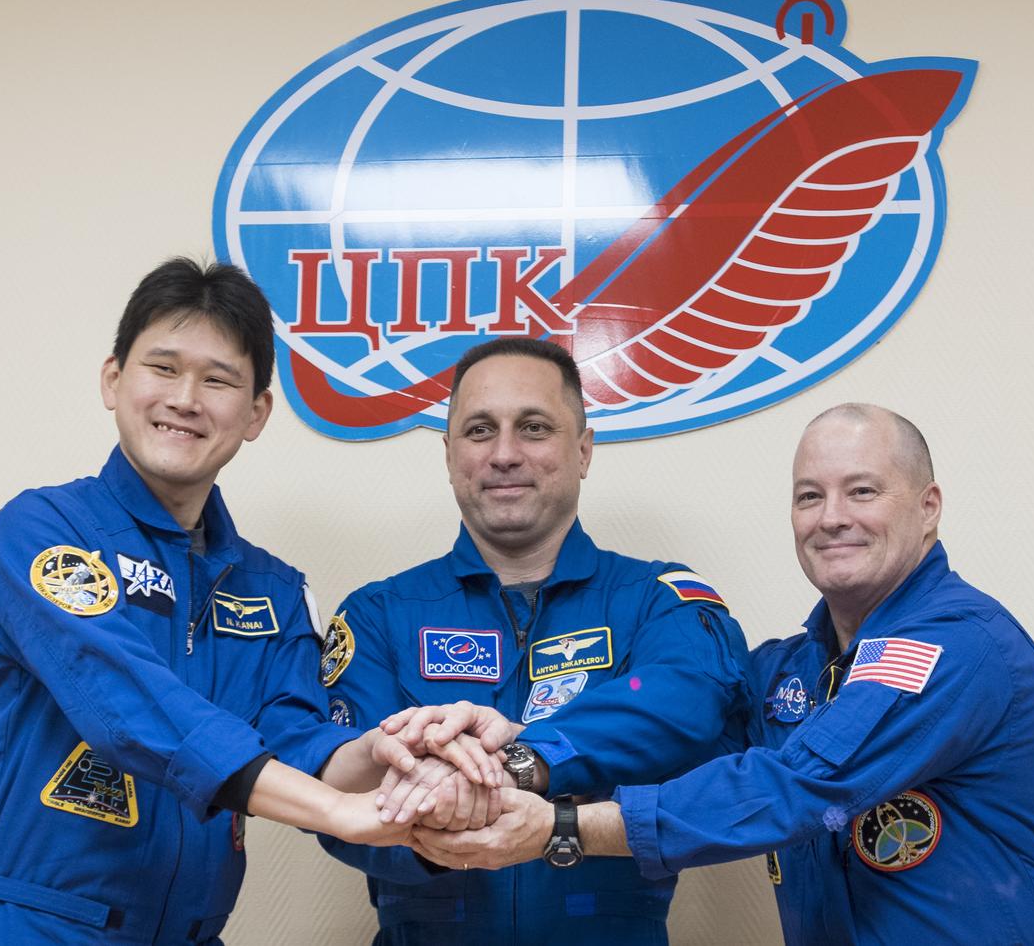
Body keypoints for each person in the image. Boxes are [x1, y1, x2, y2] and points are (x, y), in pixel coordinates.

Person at [0, 259, 489, 946]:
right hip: (33, 926)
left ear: (256, 412)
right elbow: (128, 704)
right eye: (163, 368)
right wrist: (336, 812)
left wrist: (382, 751)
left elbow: (297, 739)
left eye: (219, 379)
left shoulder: (274, 589)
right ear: (113, 379)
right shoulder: (42, 531)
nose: (186, 397)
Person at [415, 404, 1034, 945]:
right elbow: (672, 736)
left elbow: (801, 785)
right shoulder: (788, 673)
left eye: (861, 490)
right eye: (810, 496)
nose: (832, 518)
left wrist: (561, 825)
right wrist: (520, 748)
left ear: (928, 507)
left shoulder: (957, 645)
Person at [319, 337, 751, 944]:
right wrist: (440, 832)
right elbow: (338, 798)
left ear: (582, 450)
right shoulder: (377, 616)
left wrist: (524, 760)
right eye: (478, 430)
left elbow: (685, 703)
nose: (504, 454)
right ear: (449, 455)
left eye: (533, 427)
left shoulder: (657, 599)